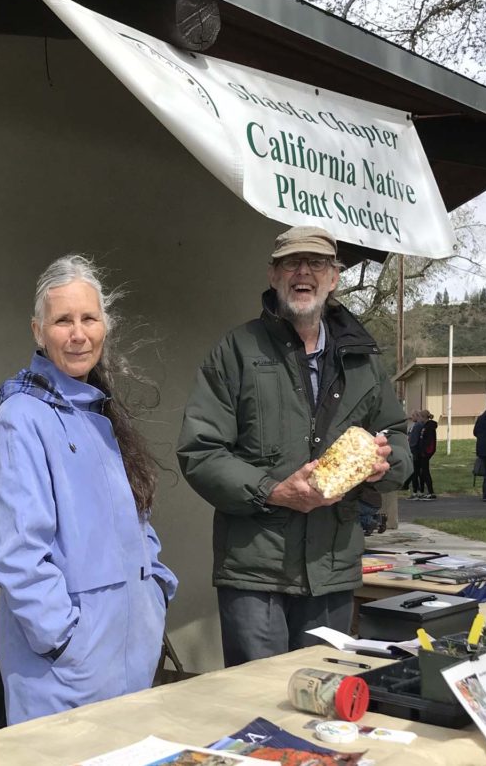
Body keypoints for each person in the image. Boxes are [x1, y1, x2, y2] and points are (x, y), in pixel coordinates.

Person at [177, 225, 411, 667]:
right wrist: (272, 490)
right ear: (273, 275)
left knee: (321, 696)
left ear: (335, 277)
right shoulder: (236, 351)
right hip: (255, 572)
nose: (303, 272)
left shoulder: (362, 361)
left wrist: (385, 463)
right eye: (291, 263)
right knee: (256, 704)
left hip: (332, 567)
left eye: (317, 263)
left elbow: (397, 436)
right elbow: (200, 450)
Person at [0, 254, 178, 724]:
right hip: (65, 675)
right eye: (62, 320)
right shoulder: (21, 418)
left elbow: (137, 519)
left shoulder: (101, 414)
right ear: (37, 331)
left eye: (89, 318)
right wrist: (65, 640)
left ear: (104, 327)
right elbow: (17, 555)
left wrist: (156, 594)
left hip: (131, 660)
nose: (78, 334)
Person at [418, 412, 438, 500]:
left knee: (425, 471)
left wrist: (425, 451)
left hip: (426, 452)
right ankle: (424, 491)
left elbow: (429, 441)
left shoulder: (429, 427)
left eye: (420, 417)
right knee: (423, 471)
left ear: (423, 417)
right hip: (424, 452)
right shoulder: (425, 426)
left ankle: (431, 492)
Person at [406, 410, 426, 499]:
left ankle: (415, 491)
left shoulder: (417, 426)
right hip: (418, 451)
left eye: (413, 416)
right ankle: (420, 490)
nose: (411, 417)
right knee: (418, 472)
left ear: (417, 416)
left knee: (414, 472)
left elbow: (413, 440)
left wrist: (410, 448)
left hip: (414, 451)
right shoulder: (419, 425)